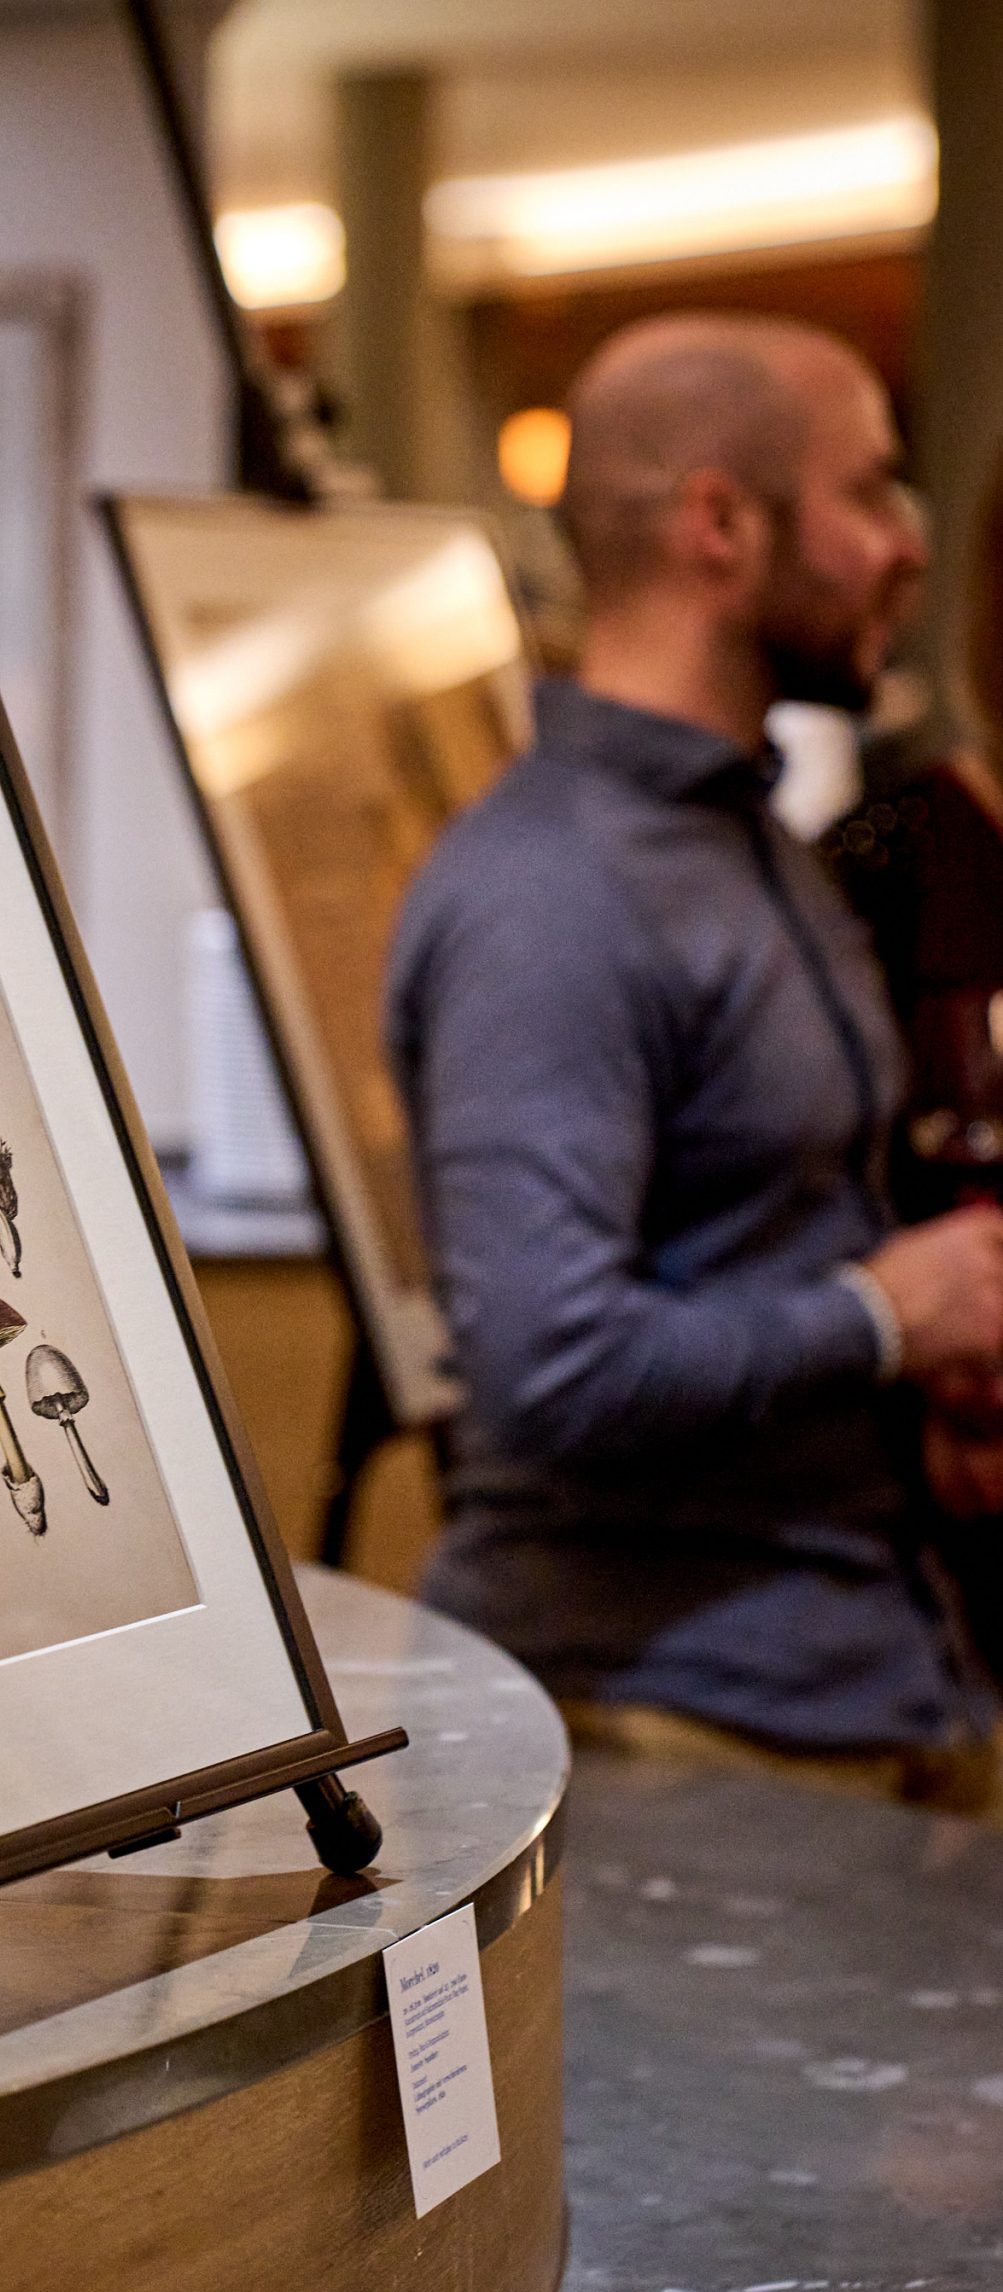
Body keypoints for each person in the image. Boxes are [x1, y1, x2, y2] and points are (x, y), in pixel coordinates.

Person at [387, 313, 1003, 1801]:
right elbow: (548, 1373)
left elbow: (766, 1251)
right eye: (870, 491)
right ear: (720, 524)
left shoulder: (751, 845)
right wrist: (885, 1316)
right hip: (674, 1730)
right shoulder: (553, 896)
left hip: (864, 1683)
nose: (909, 548)